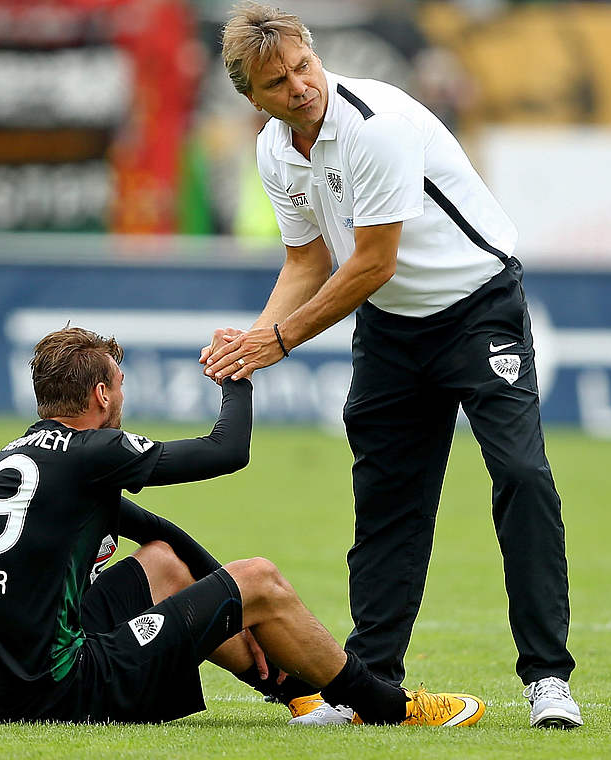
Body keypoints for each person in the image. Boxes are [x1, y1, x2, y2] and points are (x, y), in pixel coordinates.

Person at [201, 2, 581, 729]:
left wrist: (276, 344)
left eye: (303, 66)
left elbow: (371, 264)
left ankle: (548, 680)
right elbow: (307, 262)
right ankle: (367, 688)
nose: (300, 87)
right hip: (393, 329)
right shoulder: (275, 150)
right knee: (386, 506)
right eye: (278, 83)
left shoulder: (376, 125)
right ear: (252, 99)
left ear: (315, 54)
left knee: (523, 476)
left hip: (477, 306)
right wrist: (251, 340)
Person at [0, 326, 484, 727]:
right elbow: (228, 450)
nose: (122, 396)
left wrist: (234, 616)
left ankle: (300, 696)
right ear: (101, 395)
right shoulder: (90, 454)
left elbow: (161, 533)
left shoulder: (13, 459)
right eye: (120, 385)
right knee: (260, 579)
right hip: (58, 690)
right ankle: (388, 706)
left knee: (163, 561)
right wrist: (236, 378)